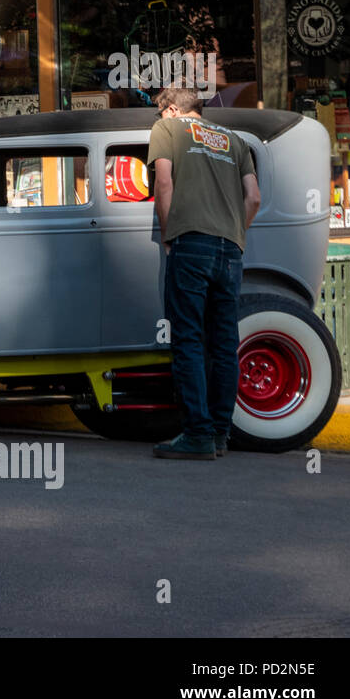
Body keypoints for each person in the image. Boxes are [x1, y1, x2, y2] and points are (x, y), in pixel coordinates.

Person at [148, 86, 261, 460]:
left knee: (189, 340)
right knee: (224, 344)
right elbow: (254, 197)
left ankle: (197, 434)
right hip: (230, 250)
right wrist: (236, 235)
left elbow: (164, 183)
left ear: (170, 111)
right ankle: (219, 434)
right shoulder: (235, 141)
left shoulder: (168, 130)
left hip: (190, 244)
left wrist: (169, 235)